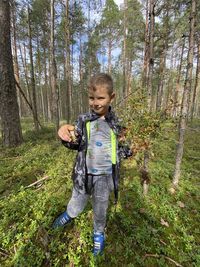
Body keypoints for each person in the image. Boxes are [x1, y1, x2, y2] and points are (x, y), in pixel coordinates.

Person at [53, 73, 132, 255]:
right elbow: (76, 142)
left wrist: (131, 148)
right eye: (91, 98)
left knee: (100, 207)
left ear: (111, 97)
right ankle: (70, 214)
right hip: (83, 176)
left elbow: (120, 151)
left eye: (100, 98)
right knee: (77, 201)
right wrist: (64, 133)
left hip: (105, 178)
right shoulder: (83, 120)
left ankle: (98, 232)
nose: (95, 103)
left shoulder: (117, 124)